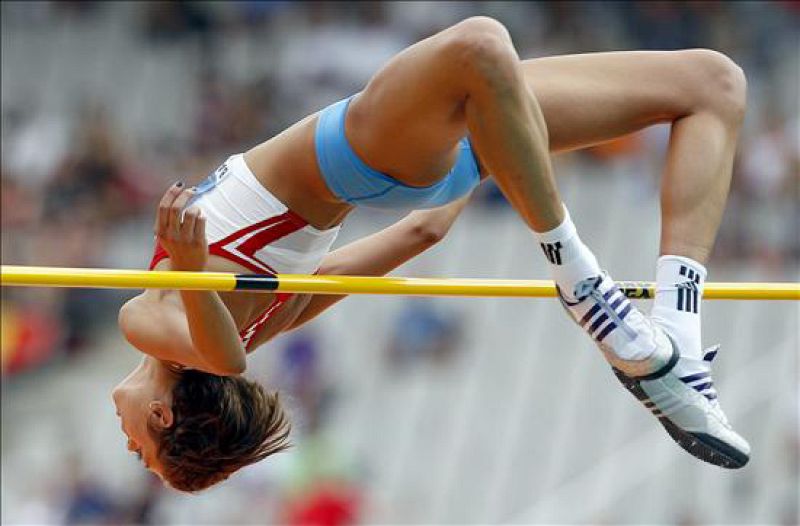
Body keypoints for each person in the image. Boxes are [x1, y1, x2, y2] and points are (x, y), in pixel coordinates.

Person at [113, 17, 750, 492]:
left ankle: (678, 332)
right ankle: (582, 284)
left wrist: (491, 158)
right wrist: (193, 269)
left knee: (712, 83)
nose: (129, 444)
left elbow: (420, 236)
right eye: (144, 451)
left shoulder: (268, 316)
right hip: (365, 145)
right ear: (164, 416)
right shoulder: (156, 318)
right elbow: (221, 356)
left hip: (432, 164)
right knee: (479, 41)